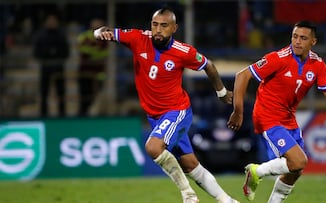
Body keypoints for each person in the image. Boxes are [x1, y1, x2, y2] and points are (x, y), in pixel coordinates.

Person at [94, 7, 239, 203]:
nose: (158, 30)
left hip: (176, 111)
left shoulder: (183, 51)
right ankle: (228, 201)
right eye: (155, 25)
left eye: (164, 25)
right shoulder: (138, 38)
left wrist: (221, 92)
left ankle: (188, 195)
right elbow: (108, 31)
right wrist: (100, 32)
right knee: (190, 165)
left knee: (153, 148)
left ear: (174, 28)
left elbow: (209, 65)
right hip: (154, 116)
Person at [227, 20, 326, 203]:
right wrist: (238, 111)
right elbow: (242, 76)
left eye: (303, 38)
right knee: (299, 161)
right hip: (267, 116)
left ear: (313, 42)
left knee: (295, 171)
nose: (297, 41)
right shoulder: (278, 58)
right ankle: (256, 171)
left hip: (288, 118)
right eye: (295, 36)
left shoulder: (318, 65)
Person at [33, 14, 69, 117]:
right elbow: (36, 52)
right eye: (50, 20)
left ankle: (62, 114)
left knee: (61, 92)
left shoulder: (61, 35)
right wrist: (45, 56)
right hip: (46, 66)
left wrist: (58, 57)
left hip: (58, 66)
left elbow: (66, 51)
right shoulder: (41, 35)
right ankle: (43, 114)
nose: (52, 22)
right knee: (44, 92)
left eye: (54, 20)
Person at [77, 18, 108, 116]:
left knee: (94, 97)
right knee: (84, 97)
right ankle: (82, 115)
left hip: (99, 74)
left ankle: (89, 115)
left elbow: (104, 53)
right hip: (85, 72)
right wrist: (95, 53)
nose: (97, 24)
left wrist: (93, 52)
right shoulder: (84, 36)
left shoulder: (106, 37)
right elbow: (83, 50)